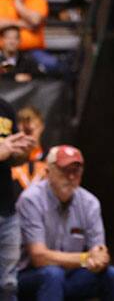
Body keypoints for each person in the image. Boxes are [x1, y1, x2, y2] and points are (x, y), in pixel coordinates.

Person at [16, 146, 114, 301]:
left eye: (76, 171)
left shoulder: (90, 203)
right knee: (53, 274)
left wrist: (100, 259)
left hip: (71, 275)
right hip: (31, 276)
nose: (71, 177)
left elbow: (99, 251)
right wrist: (85, 258)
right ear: (48, 171)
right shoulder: (31, 200)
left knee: (112, 276)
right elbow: (39, 257)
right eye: (65, 170)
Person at [0, 98, 35, 301]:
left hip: (7, 209)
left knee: (8, 284)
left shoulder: (6, 108)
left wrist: (22, 152)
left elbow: (11, 156)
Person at [0, 0, 51, 71]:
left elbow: (35, 21)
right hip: (3, 52)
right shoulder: (2, 1)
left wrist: (18, 4)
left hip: (32, 51)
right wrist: (20, 23)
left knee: (51, 65)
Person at [10, 107, 47, 198]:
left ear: (41, 126)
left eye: (32, 120)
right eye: (22, 122)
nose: (28, 126)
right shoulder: (8, 160)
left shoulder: (51, 159)